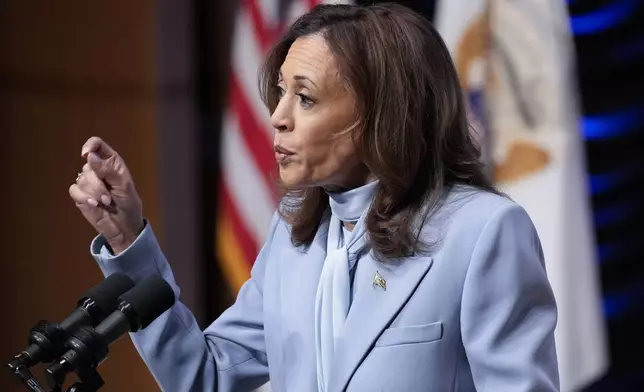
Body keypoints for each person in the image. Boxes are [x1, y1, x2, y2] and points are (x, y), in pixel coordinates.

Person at [69, 3, 559, 391]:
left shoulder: (482, 233)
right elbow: (207, 376)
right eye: (280, 93)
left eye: (304, 97)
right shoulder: (293, 235)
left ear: (382, 112)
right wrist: (127, 238)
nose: (278, 117)